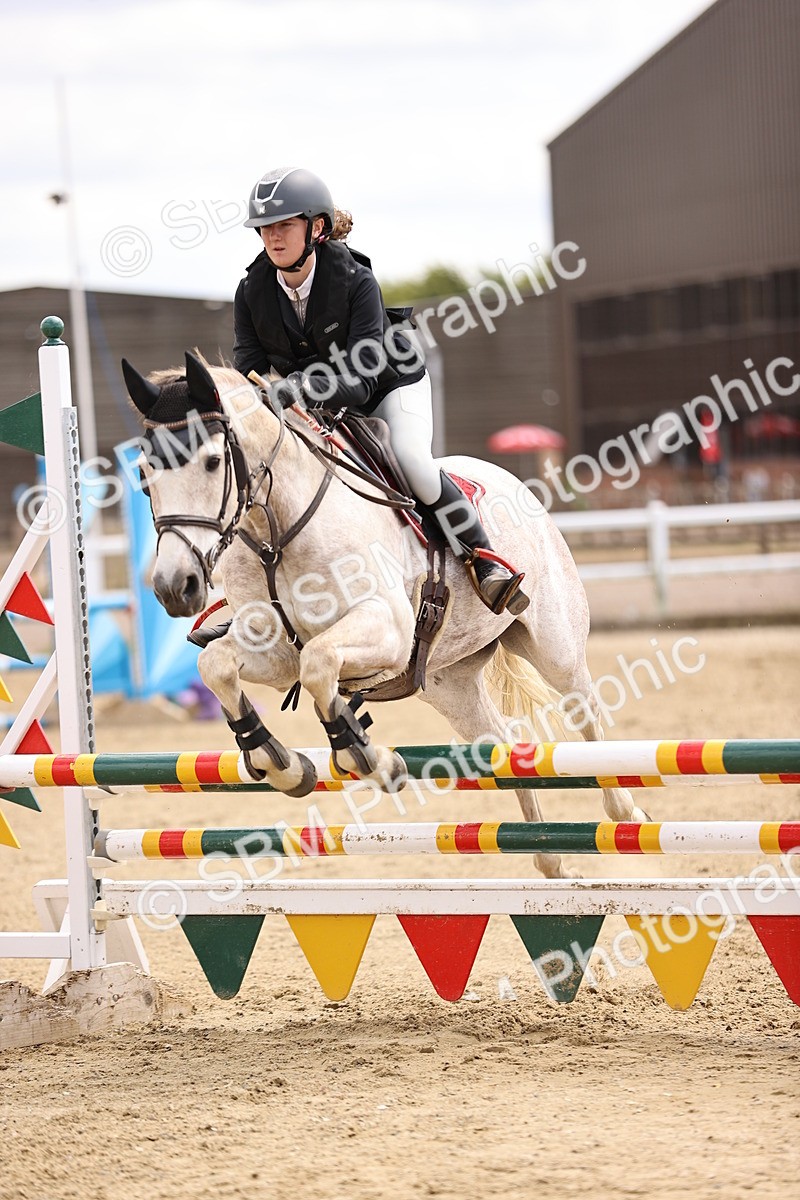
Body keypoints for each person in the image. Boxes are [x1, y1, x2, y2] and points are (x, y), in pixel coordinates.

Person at [233, 166, 529, 616]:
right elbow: (249, 371)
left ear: (316, 227)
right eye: (265, 227)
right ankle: (253, 604)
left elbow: (361, 380)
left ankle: (483, 559)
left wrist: (298, 387)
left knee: (412, 462)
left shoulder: (355, 280)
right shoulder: (250, 291)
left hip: (387, 387)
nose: (273, 236)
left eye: (285, 224)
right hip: (314, 402)